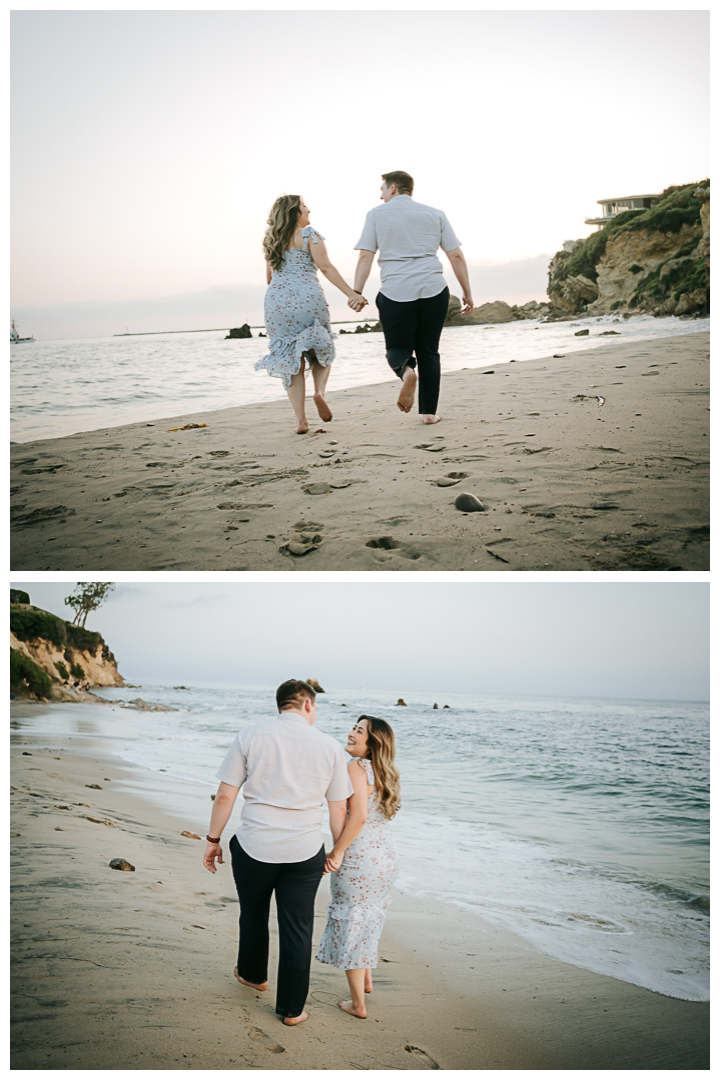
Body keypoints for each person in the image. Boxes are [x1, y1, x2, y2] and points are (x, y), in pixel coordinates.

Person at [203, 679, 353, 1026]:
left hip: (254, 845)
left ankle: (254, 976)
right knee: (298, 927)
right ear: (308, 706)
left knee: (253, 914)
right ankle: (291, 1010)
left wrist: (213, 839)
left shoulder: (250, 735)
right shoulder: (330, 747)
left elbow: (225, 796)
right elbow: (337, 811)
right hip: (304, 851)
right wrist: (337, 851)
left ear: (280, 704)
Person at [349, 171, 474, 425]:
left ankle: (407, 372)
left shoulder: (375, 214)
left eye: (382, 189)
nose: (380, 194)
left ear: (393, 188)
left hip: (395, 291)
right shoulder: (435, 213)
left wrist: (357, 292)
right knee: (429, 351)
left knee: (396, 348)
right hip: (433, 289)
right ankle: (429, 413)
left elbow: (365, 256)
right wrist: (467, 293)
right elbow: (456, 256)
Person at [256, 195, 367, 434]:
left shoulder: (270, 239)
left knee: (290, 359)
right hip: (307, 298)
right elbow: (326, 267)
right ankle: (319, 392)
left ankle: (301, 422)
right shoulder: (309, 235)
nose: (309, 210)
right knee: (321, 349)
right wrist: (352, 294)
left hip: (276, 302)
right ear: (295, 212)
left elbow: (268, 278)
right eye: (305, 206)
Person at [315, 715, 400, 1019]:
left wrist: (336, 852)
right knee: (369, 919)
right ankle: (366, 979)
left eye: (359, 731)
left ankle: (357, 1004)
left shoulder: (356, 768)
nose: (351, 733)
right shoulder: (384, 771)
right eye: (354, 727)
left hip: (360, 858)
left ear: (372, 741)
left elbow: (359, 816)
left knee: (352, 922)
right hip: (386, 858)